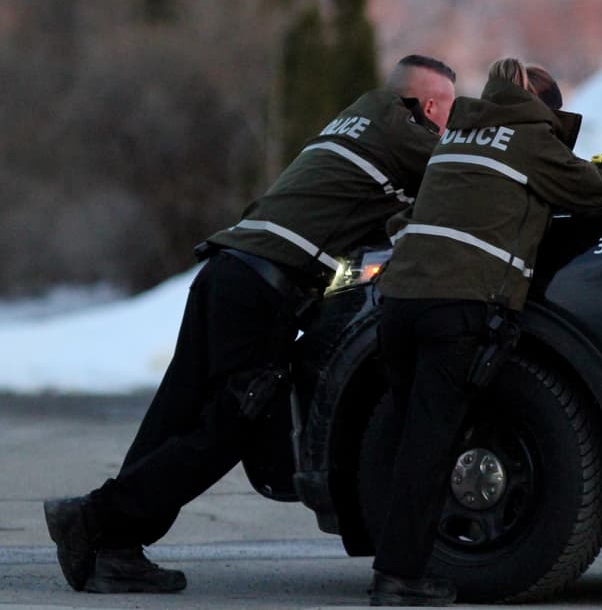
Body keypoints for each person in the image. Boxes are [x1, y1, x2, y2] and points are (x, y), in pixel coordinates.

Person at [43, 54, 457, 594]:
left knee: (176, 412)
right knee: (232, 424)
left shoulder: (360, 118)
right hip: (260, 289)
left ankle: (113, 549)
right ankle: (94, 520)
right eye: (451, 108)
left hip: (229, 270)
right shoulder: (404, 131)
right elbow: (464, 172)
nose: (451, 122)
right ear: (428, 106)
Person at [366, 57, 602, 606]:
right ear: (544, 111)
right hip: (455, 308)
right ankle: (398, 579)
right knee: (432, 448)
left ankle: (397, 564)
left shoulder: (458, 136)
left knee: (412, 441)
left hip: (398, 305)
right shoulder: (532, 140)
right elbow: (596, 193)